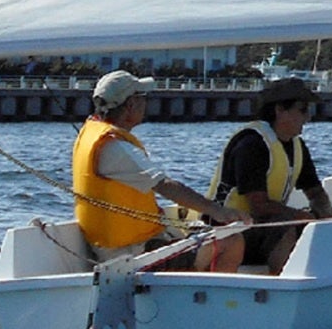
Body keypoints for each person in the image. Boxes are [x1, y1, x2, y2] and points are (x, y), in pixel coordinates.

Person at [72, 70, 248, 271]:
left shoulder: (92, 134)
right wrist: (219, 211)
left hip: (118, 248)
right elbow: (165, 186)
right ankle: (211, 300)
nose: (146, 104)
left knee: (202, 230)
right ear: (130, 105)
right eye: (142, 98)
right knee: (232, 240)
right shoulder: (117, 148)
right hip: (135, 255)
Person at [207, 77, 332, 274]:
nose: (307, 117)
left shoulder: (297, 146)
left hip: (263, 225)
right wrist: (305, 218)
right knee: (287, 228)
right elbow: (259, 207)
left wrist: (325, 217)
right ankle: (283, 284)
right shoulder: (252, 144)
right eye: (302, 110)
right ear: (279, 110)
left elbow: (316, 193)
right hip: (229, 232)